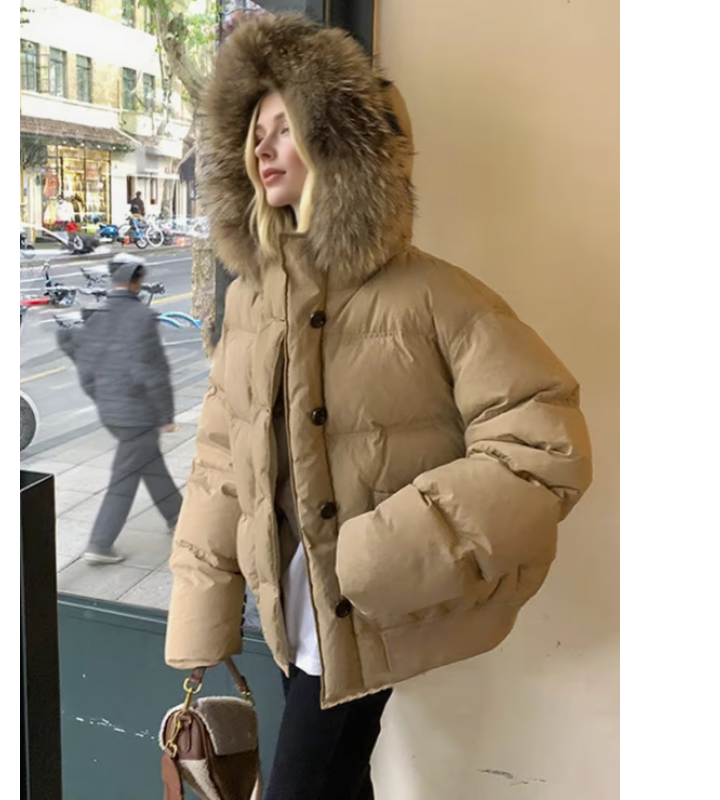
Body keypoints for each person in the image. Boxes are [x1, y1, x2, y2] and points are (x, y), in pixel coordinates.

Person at [165, 14, 593, 800]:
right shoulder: (253, 301)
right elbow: (220, 461)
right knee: (338, 781)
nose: (263, 148)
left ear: (338, 146)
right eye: (254, 133)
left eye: (285, 128)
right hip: (289, 615)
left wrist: (374, 557)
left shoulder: (435, 296)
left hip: (365, 611)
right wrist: (202, 612)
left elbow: (544, 447)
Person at [57, 254, 183, 564]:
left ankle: (177, 515)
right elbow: (153, 372)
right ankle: (100, 543)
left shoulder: (97, 316)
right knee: (124, 479)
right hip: (137, 414)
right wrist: (166, 415)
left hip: (111, 411)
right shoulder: (142, 317)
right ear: (137, 280)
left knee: (150, 463)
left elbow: (85, 366)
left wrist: (100, 397)